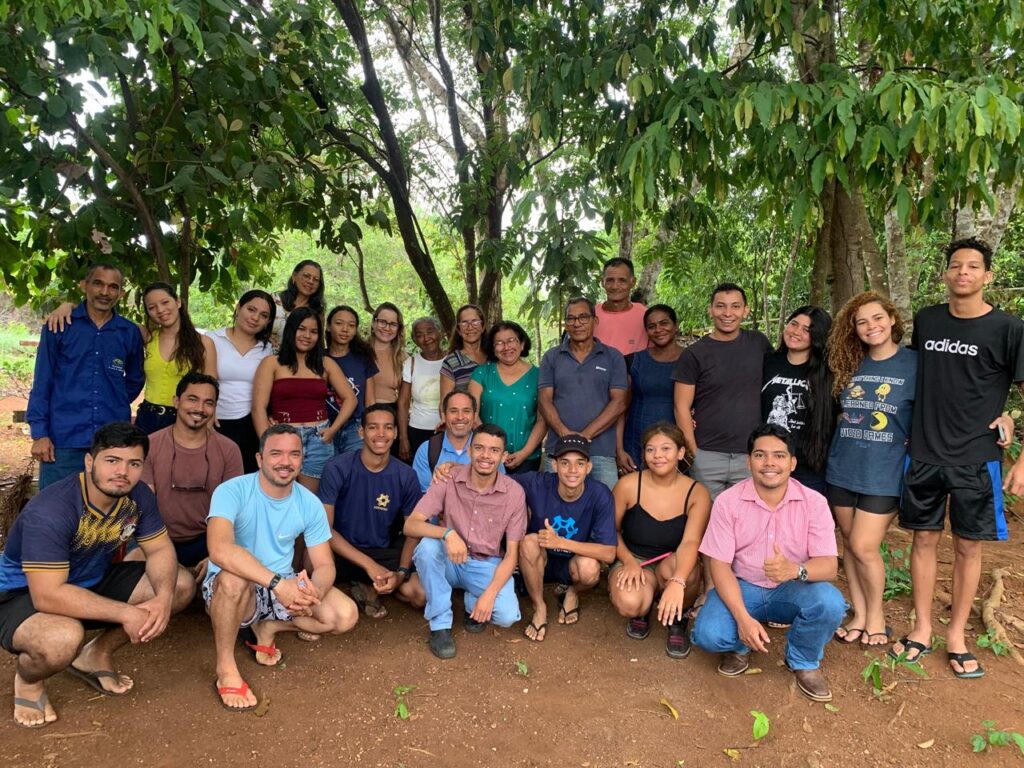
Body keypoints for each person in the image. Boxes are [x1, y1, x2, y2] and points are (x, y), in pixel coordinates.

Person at [0, 422, 194, 728]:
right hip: (23, 594)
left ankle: (95, 655)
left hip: (91, 579)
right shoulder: (52, 510)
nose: (122, 472)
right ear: (90, 461)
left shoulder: (138, 495)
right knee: (61, 638)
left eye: (133, 464)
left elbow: (159, 550)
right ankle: (28, 681)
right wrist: (126, 613)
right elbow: (48, 594)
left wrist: (164, 598)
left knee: (179, 585)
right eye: (112, 460)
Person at [892, 238, 1024, 679]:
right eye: (955, 266)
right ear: (946, 274)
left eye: (972, 267)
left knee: (969, 545)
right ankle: (923, 627)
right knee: (923, 540)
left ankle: (958, 635)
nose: (963, 272)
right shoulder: (928, 321)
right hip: (925, 451)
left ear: (987, 276)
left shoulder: (1008, 328)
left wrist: (1021, 454)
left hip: (977, 456)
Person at [204, 424, 359, 711]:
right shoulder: (231, 491)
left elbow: (325, 564)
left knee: (344, 615)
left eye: (294, 454)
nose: (285, 462)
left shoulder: (309, 503)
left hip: (282, 585)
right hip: (239, 587)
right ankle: (225, 667)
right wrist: (279, 585)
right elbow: (220, 550)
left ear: (302, 459)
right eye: (276, 454)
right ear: (260, 459)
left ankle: (268, 627)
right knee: (233, 580)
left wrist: (315, 590)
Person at [691, 423, 845, 702]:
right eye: (760, 455)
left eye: (779, 455)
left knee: (831, 602)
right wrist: (742, 618)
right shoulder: (728, 502)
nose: (769, 463)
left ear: (793, 463)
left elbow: (829, 566)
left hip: (791, 588)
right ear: (749, 462)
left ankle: (803, 660)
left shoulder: (815, 502)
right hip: (742, 587)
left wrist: (795, 570)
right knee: (708, 636)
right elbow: (720, 566)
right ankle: (740, 644)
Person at [824, 292, 915, 647]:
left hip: (885, 470)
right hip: (843, 466)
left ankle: (876, 616)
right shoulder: (849, 363)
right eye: (861, 322)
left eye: (877, 318)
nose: (870, 327)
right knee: (849, 544)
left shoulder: (915, 364)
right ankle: (859, 613)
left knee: (864, 545)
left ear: (892, 319)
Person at [404, 424, 527, 659]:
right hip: (449, 559)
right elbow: (410, 525)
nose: (485, 456)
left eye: (493, 451)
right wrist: (447, 534)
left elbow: (512, 554)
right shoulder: (447, 478)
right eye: (479, 448)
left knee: (507, 616)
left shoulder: (514, 493)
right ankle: (440, 624)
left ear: (503, 457)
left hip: (485, 563)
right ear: (469, 451)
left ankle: (473, 600)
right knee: (428, 548)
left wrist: (489, 594)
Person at [45, 281, 219, 435]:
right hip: (148, 418)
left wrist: (208, 423)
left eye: (165, 302)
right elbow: (101, 314)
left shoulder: (203, 343)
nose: (160, 310)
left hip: (186, 419)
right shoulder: (146, 335)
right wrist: (68, 305)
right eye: (152, 307)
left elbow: (211, 390)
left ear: (178, 302)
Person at [28, 263, 144, 488]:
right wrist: (39, 433)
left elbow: (135, 379)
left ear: (121, 293)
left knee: (106, 512)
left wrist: (113, 399)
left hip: (111, 441)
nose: (104, 292)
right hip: (63, 439)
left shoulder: (128, 332)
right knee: (56, 510)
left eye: (113, 287)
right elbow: (43, 381)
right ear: (84, 286)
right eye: (98, 283)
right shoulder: (60, 325)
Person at [609, 423, 711, 658]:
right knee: (630, 603)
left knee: (689, 574)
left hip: (672, 561)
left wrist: (678, 581)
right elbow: (610, 532)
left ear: (681, 453)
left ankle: (679, 616)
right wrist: (628, 561)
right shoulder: (628, 485)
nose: (658, 456)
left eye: (666, 449)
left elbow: (690, 542)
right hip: (636, 560)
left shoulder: (697, 492)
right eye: (651, 450)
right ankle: (645, 605)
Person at [318, 404, 425, 618]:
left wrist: (402, 573)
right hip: (341, 549)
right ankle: (364, 582)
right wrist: (369, 565)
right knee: (313, 564)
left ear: (395, 432)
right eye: (373, 427)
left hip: (382, 551)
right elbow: (324, 529)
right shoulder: (337, 467)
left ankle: (374, 584)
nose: (381, 434)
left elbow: (413, 529)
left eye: (387, 428)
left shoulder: (406, 475)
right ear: (361, 432)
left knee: (419, 595)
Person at [673, 283, 772, 499]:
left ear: (745, 310)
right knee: (708, 524)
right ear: (710, 309)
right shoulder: (694, 354)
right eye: (720, 306)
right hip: (707, 454)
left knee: (748, 521)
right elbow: (681, 405)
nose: (728, 313)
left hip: (750, 453)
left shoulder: (758, 343)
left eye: (735, 306)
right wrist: (694, 453)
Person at [138, 373, 244, 571]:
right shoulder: (150, 445)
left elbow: (236, 511)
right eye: (192, 399)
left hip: (207, 540)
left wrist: (217, 555)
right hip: (158, 539)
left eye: (208, 403)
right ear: (176, 401)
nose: (200, 409)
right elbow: (145, 508)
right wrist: (162, 556)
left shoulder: (228, 450)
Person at [516, 435, 616, 642]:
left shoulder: (600, 494)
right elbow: (495, 480)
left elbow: (608, 553)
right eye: (565, 463)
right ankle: (539, 606)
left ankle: (572, 592)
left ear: (588, 467)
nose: (572, 471)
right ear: (554, 465)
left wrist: (561, 542)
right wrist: (457, 468)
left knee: (590, 569)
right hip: (539, 561)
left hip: (572, 564)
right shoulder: (538, 483)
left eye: (579, 464)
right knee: (528, 542)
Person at [252, 307, 358, 493]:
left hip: (319, 439)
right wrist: (266, 444)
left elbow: (351, 399)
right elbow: (258, 408)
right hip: (282, 438)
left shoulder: (325, 364)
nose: (307, 335)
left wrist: (333, 430)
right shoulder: (271, 363)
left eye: (314, 331)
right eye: (301, 329)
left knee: (312, 500)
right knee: (280, 494)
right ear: (291, 329)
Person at [538, 297, 628, 490]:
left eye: (583, 317)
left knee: (604, 509)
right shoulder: (552, 357)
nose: (577, 323)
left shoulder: (613, 357)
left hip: (601, 452)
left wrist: (584, 436)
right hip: (559, 451)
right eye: (571, 319)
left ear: (595, 321)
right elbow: (544, 400)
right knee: (556, 510)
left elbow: (619, 403)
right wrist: (565, 434)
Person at [760, 306, 835, 493]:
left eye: (807, 330)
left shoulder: (829, 372)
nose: (796, 332)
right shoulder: (768, 362)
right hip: (768, 460)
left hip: (809, 464)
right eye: (794, 324)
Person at [208, 290, 277, 473]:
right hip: (217, 421)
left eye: (263, 315)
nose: (255, 318)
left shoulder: (267, 349)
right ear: (238, 308)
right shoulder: (213, 339)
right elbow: (204, 381)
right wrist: (208, 412)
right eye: (251, 309)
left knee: (247, 480)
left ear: (268, 322)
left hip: (250, 423)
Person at [468, 321, 546, 474]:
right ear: (493, 348)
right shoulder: (481, 373)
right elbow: (472, 414)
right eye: (499, 343)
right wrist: (494, 450)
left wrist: (524, 453)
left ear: (522, 344)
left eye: (511, 340)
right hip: (487, 457)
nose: (506, 347)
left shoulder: (539, 376)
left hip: (527, 459)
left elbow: (542, 420)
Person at [617, 304, 683, 475]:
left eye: (664, 323)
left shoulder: (691, 360)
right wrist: (619, 449)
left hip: (677, 445)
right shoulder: (634, 361)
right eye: (652, 326)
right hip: (635, 443)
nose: (658, 329)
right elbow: (621, 408)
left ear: (676, 326)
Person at [325, 305, 379, 455]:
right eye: (339, 323)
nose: (345, 329)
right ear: (329, 326)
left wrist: (370, 427)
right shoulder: (318, 358)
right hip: (325, 425)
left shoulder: (363, 358)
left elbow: (370, 401)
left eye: (351, 325)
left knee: (354, 472)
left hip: (355, 427)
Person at [398, 317, 446, 461]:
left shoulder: (452, 360)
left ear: (441, 333)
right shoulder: (410, 363)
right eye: (419, 335)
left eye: (430, 332)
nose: (426, 338)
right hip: (417, 429)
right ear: (414, 340)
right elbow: (403, 402)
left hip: (448, 429)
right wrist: (403, 438)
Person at [411, 390, 479, 493]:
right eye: (453, 411)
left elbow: (497, 491)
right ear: (444, 415)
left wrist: (460, 470)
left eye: (466, 411)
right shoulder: (427, 450)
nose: (460, 417)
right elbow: (426, 497)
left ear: (474, 416)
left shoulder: (488, 450)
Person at [594, 257, 648, 355]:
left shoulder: (645, 315)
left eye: (622, 281)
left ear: (633, 282)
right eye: (610, 280)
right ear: (602, 282)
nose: (615, 286)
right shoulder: (590, 315)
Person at [439, 303, 488, 403]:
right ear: (459, 330)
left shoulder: (494, 357)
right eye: (464, 323)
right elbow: (444, 404)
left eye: (475, 321)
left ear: (483, 326)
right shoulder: (451, 362)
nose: (470, 327)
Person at [271, 259, 325, 343]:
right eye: (306, 276)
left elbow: (319, 343)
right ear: (294, 276)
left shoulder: (318, 311)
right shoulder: (273, 301)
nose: (311, 281)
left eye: (316, 279)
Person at [368, 302, 407, 408]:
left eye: (393, 324)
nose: (387, 328)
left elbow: (405, 399)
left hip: (390, 412)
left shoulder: (402, 357)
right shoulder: (359, 351)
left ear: (399, 329)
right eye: (382, 322)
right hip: (359, 414)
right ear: (373, 323)